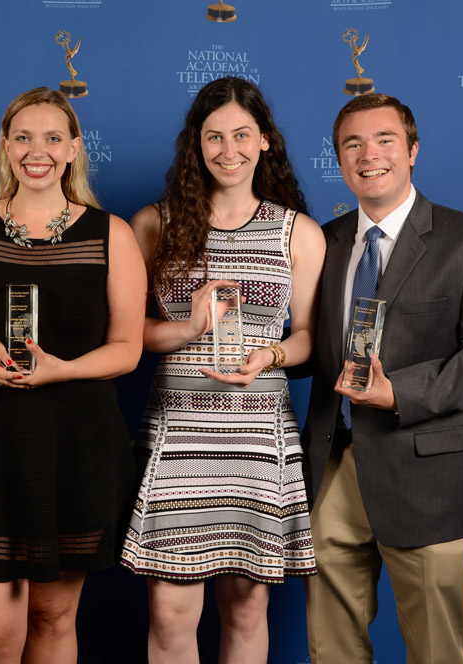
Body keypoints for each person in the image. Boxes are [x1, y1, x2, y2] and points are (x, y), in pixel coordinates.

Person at [302, 93, 463, 663]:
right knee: (332, 647)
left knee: (436, 651)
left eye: (384, 141)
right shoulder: (321, 244)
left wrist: (397, 390)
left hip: (431, 477)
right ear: (338, 158)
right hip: (334, 470)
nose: (368, 155)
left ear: (413, 151)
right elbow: (313, 348)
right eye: (352, 144)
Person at [0, 87, 146, 664]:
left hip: (76, 444)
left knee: (53, 619)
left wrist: (63, 370)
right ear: (5, 146)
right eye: (23, 137)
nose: (37, 150)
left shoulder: (112, 234)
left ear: (73, 149)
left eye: (53, 138)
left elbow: (128, 348)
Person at [120, 77, 325, 664]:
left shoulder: (297, 232)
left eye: (241, 134)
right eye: (214, 136)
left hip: (259, 438)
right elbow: (130, 336)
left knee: (245, 609)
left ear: (265, 141)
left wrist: (272, 355)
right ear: (196, 145)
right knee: (170, 614)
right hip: (179, 433)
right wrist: (189, 326)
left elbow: (308, 336)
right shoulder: (153, 225)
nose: (228, 149)